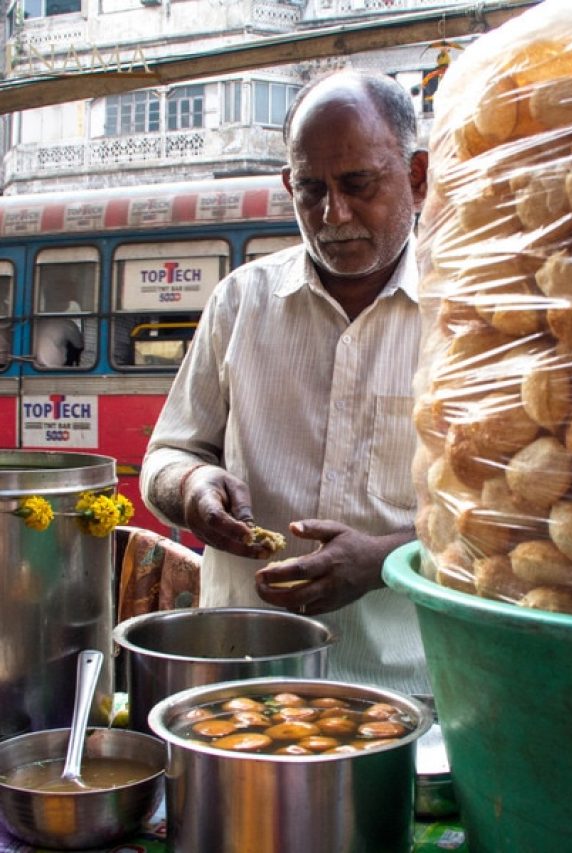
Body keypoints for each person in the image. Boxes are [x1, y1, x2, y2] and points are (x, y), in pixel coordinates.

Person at [140, 69, 430, 693]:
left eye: (358, 184)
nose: (333, 214)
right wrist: (191, 487)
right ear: (288, 186)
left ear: (417, 177)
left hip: (408, 688)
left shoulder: (468, 315)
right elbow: (166, 455)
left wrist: (385, 560)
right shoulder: (240, 301)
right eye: (310, 189)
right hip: (241, 673)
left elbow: (504, 521)